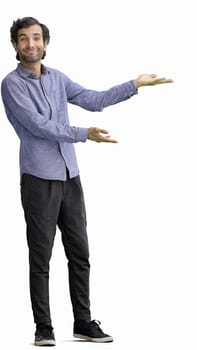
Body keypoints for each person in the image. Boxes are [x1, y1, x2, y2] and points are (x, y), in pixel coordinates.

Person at [1, 16, 173, 347]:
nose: (31, 44)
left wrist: (135, 84)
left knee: (80, 252)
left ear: (46, 43)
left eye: (36, 38)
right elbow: (38, 126)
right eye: (24, 39)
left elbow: (93, 100)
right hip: (38, 179)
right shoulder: (12, 84)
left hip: (70, 177)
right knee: (41, 256)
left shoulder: (58, 79)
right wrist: (82, 134)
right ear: (15, 46)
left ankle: (82, 322)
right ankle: (44, 327)